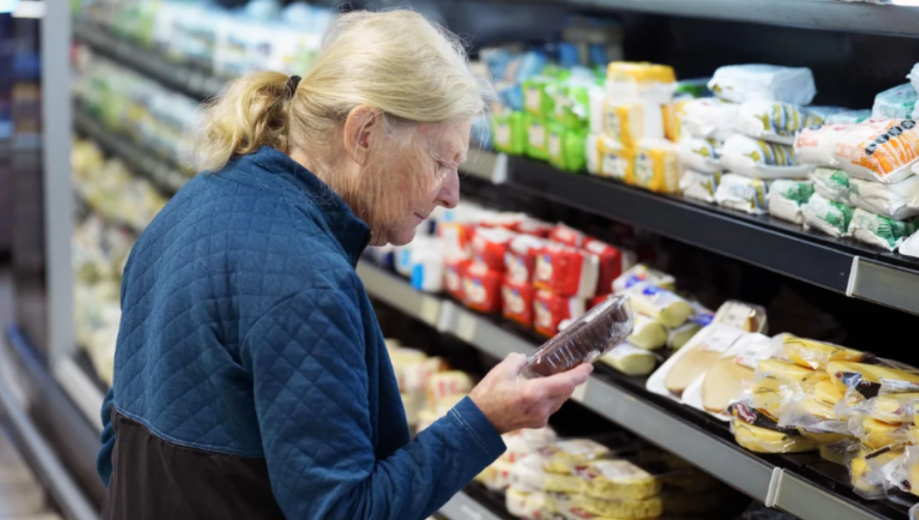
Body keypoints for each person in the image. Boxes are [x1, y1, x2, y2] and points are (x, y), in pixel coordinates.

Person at [97, 9, 592, 520]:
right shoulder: (307, 283)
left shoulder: (189, 205)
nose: (451, 194)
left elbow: (117, 439)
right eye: (441, 162)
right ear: (365, 132)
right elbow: (344, 513)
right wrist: (484, 421)